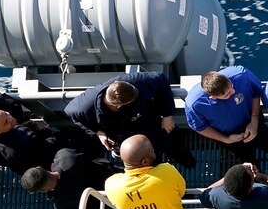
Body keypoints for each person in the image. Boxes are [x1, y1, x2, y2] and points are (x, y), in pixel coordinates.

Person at [64, 72, 195, 168]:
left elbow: (161, 80)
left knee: (177, 149)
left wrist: (167, 115)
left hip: (154, 127)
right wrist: (97, 132)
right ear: (119, 106)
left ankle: (189, 165)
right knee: (146, 167)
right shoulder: (84, 107)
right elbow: (72, 113)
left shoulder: (131, 81)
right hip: (127, 139)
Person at [185, 66, 268, 165]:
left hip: (253, 121)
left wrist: (254, 120)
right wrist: (226, 139)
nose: (233, 92)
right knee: (249, 163)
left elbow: (256, 92)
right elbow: (199, 127)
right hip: (230, 137)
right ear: (213, 97)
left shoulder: (241, 74)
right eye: (227, 94)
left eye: (231, 87)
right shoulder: (194, 104)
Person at [21, 148, 119, 209]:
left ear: (43, 190)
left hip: (117, 204)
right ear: (40, 167)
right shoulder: (65, 155)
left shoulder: (63, 205)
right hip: (121, 176)